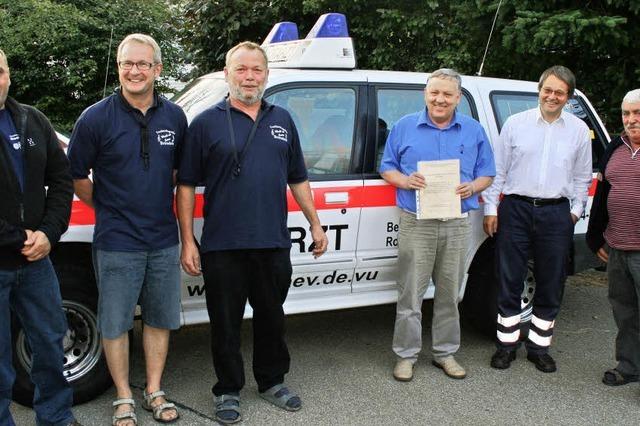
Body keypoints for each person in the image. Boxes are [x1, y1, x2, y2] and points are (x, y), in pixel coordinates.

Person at [176, 41, 328, 424]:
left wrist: (315, 222)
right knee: (225, 323)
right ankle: (227, 389)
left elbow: (298, 178)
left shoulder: (283, 119)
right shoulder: (206, 122)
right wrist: (187, 240)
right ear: (228, 74)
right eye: (241, 69)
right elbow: (186, 186)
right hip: (222, 245)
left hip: (273, 241)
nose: (249, 76)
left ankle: (272, 381)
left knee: (272, 317)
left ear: (266, 74)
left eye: (256, 70)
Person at [67, 34, 186, 425]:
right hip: (116, 241)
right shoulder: (95, 117)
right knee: (115, 323)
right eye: (126, 64)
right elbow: (76, 176)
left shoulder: (175, 118)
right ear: (119, 68)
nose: (134, 71)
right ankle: (123, 396)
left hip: (163, 239)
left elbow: (176, 173)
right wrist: (106, 205)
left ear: (157, 69)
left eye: (142, 64)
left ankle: (154, 389)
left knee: (158, 318)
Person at [379, 68, 495, 382]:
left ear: (457, 98)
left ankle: (445, 353)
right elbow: (386, 166)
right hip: (417, 223)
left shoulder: (473, 130)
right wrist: (404, 180)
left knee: (448, 294)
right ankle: (405, 356)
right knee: (410, 294)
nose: (439, 99)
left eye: (447, 94)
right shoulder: (404, 127)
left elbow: (488, 173)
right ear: (425, 94)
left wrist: (474, 187)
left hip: (457, 223)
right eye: (434, 93)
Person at [483, 65, 592, 373]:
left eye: (559, 92)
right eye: (548, 89)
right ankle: (506, 346)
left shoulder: (578, 131)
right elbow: (499, 170)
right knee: (509, 278)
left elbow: (583, 176)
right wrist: (492, 209)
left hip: (557, 212)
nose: (552, 96)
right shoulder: (515, 124)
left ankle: (539, 348)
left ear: (568, 96)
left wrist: (574, 211)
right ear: (539, 89)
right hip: (515, 209)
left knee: (551, 280)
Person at [0, 49, 80, 426]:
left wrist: (49, 233)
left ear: (9, 75)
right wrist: (17, 238)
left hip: (36, 262)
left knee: (50, 343)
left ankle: (56, 418)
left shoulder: (32, 121)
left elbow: (62, 182)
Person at [586, 89, 640, 387]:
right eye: (626, 114)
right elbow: (602, 195)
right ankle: (629, 366)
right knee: (625, 311)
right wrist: (595, 237)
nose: (631, 120)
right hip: (618, 246)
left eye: (638, 113)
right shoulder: (615, 148)